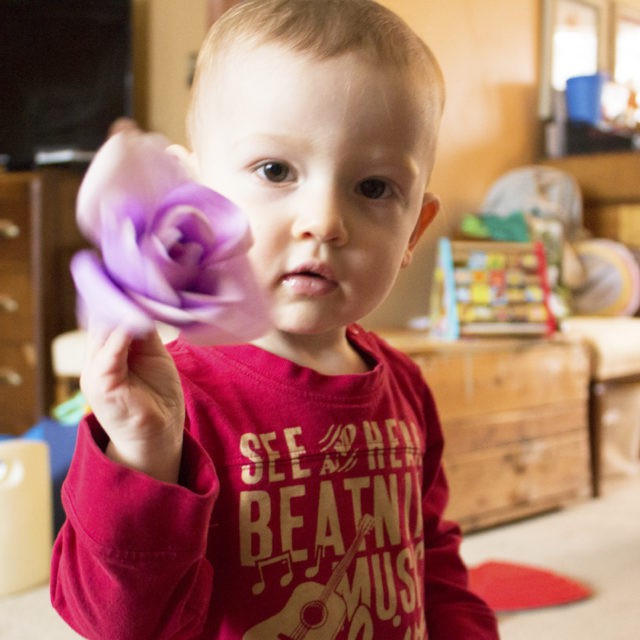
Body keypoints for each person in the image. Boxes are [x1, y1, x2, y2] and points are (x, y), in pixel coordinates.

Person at [51, 1, 499, 638]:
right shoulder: (167, 404)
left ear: (413, 234)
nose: (324, 220)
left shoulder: (404, 385)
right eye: (275, 170)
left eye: (373, 187)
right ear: (192, 197)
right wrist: (143, 454)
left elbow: (433, 560)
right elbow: (117, 622)